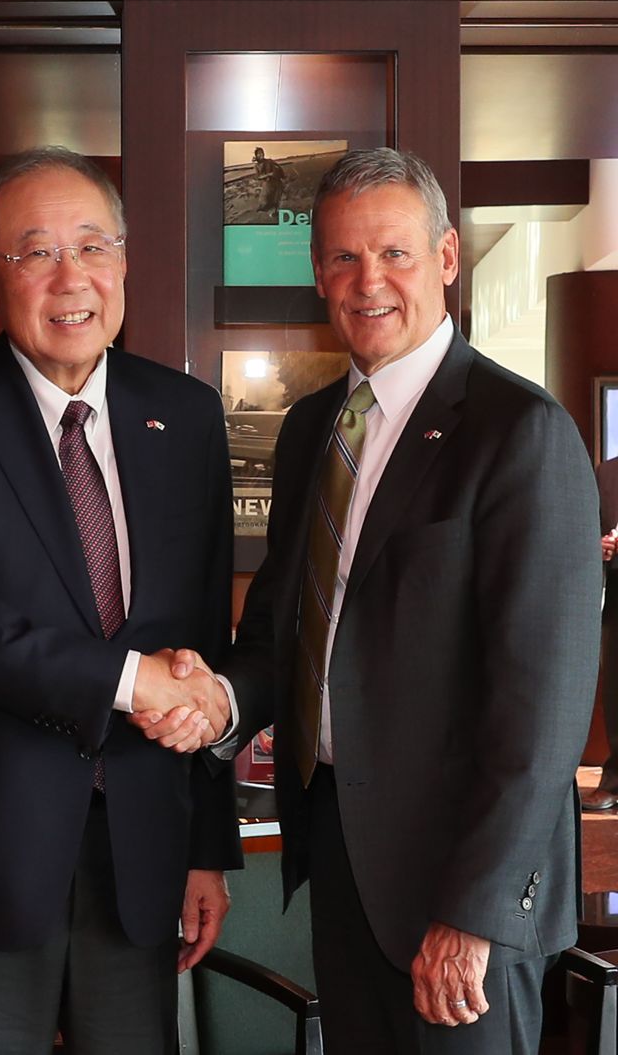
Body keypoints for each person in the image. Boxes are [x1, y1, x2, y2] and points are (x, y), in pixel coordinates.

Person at [136, 147, 604, 1053]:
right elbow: (285, 624)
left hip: (461, 883)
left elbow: (541, 711)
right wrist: (222, 697)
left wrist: (472, 911)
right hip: (345, 855)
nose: (368, 280)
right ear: (317, 274)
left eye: (393, 253)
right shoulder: (317, 426)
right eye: (344, 258)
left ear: (445, 259)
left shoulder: (521, 431)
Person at [0, 145, 241, 1055]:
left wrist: (207, 846)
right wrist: (125, 680)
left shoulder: (183, 414)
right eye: (34, 251)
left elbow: (199, 639)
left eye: (93, 245)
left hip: (141, 854)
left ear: (123, 261)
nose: (72, 277)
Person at [581, 454, 618, 810]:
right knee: (616, 693)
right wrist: (600, 548)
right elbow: (586, 530)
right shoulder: (606, 473)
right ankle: (615, 780)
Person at [253, 146, 285, 217]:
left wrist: (280, 175)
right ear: (256, 155)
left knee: (276, 198)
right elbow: (258, 177)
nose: (261, 154)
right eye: (259, 153)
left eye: (262, 153)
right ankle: (270, 212)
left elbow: (278, 168)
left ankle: (275, 212)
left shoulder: (269, 161)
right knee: (267, 199)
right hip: (267, 184)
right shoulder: (256, 166)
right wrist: (268, 174)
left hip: (277, 182)